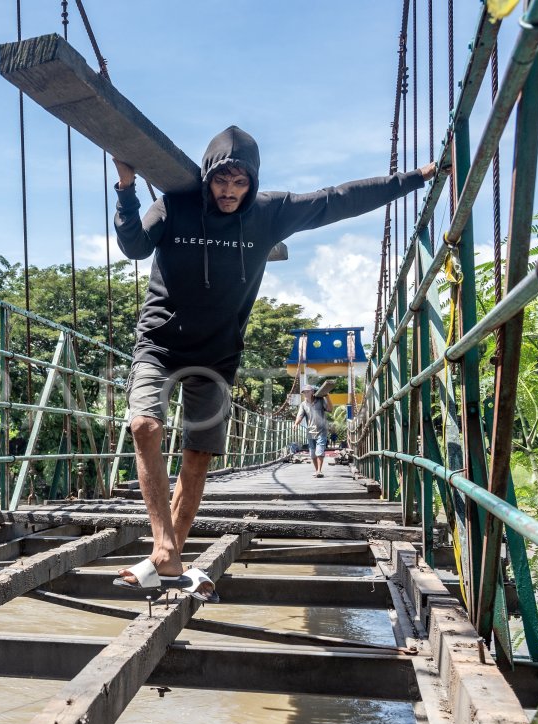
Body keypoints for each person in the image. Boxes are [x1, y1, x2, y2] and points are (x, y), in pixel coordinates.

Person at [112, 125, 434, 592]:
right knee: (145, 425)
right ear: (207, 177)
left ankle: (168, 560)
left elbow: (338, 199)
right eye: (221, 182)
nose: (229, 192)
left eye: (240, 183)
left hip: (218, 353)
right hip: (158, 343)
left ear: (253, 183)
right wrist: (126, 191)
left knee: (198, 455)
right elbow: (134, 246)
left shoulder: (270, 213)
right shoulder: (175, 204)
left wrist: (416, 177)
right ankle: (163, 547)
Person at [294, 384, 332, 477]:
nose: (305, 393)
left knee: (319, 450)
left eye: (307, 391)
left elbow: (330, 409)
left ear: (312, 392)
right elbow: (300, 416)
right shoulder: (303, 405)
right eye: (304, 392)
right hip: (310, 431)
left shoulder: (320, 401)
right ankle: (317, 471)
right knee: (312, 453)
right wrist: (295, 424)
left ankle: (319, 470)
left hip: (321, 430)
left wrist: (327, 396)